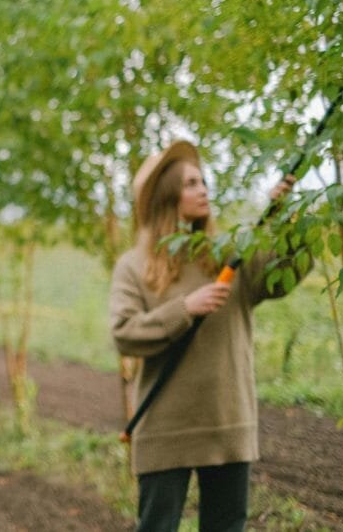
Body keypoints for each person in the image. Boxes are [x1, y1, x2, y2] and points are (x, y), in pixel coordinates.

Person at [109, 140, 307, 532]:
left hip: (228, 420)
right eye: (190, 184)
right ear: (167, 197)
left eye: (203, 181)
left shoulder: (228, 254)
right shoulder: (135, 266)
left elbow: (281, 277)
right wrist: (185, 308)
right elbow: (125, 333)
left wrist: (284, 216)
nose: (203, 190)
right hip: (164, 426)